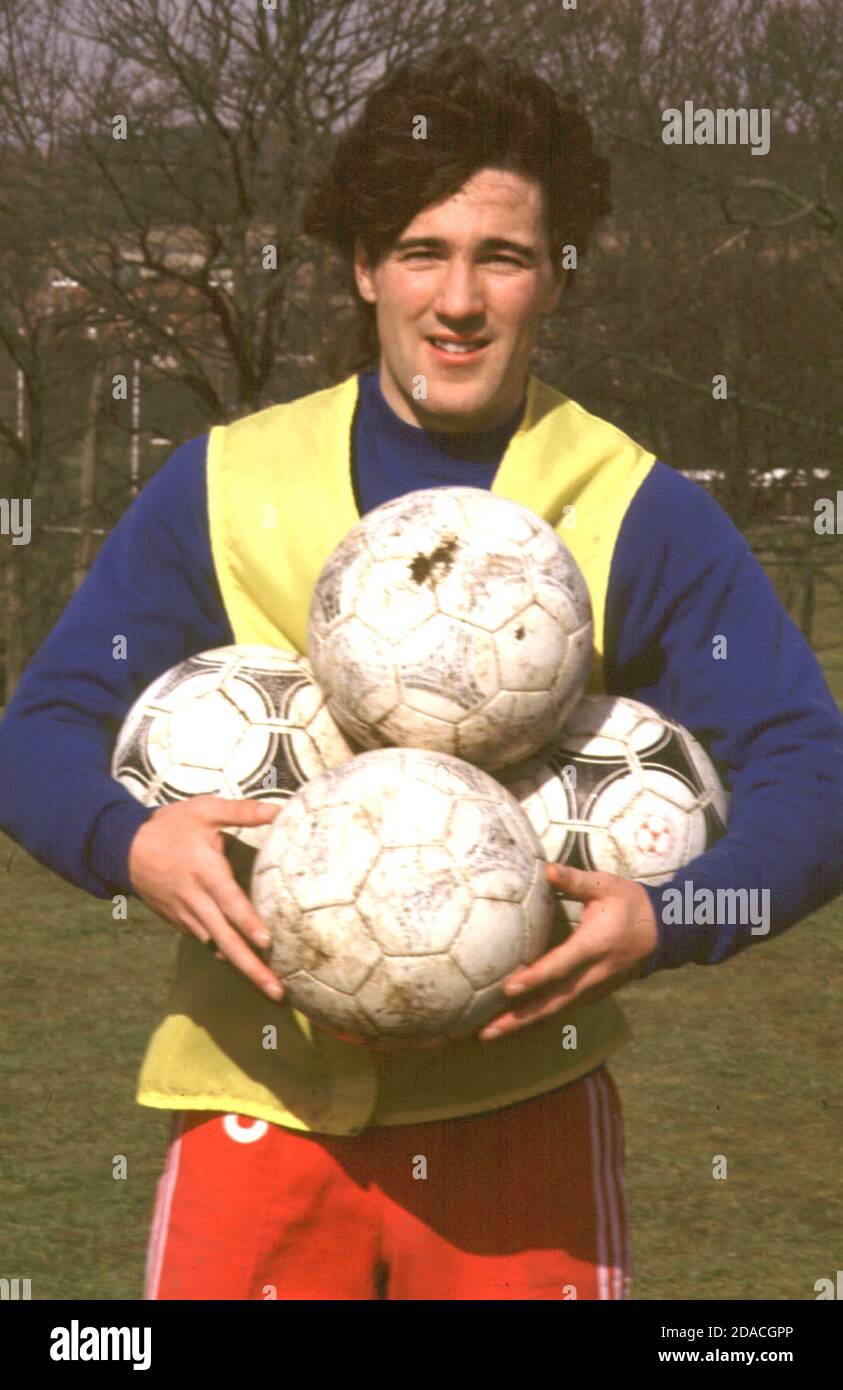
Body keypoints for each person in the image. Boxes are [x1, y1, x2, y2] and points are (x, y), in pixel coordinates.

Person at [1, 44, 842, 1302]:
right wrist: (129, 846)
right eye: (419, 250)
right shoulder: (223, 482)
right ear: (362, 267)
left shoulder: (632, 506)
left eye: (500, 256)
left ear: (551, 276)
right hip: (257, 1112)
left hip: (526, 1116)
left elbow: (812, 771)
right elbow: (42, 729)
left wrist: (674, 916)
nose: (458, 298)